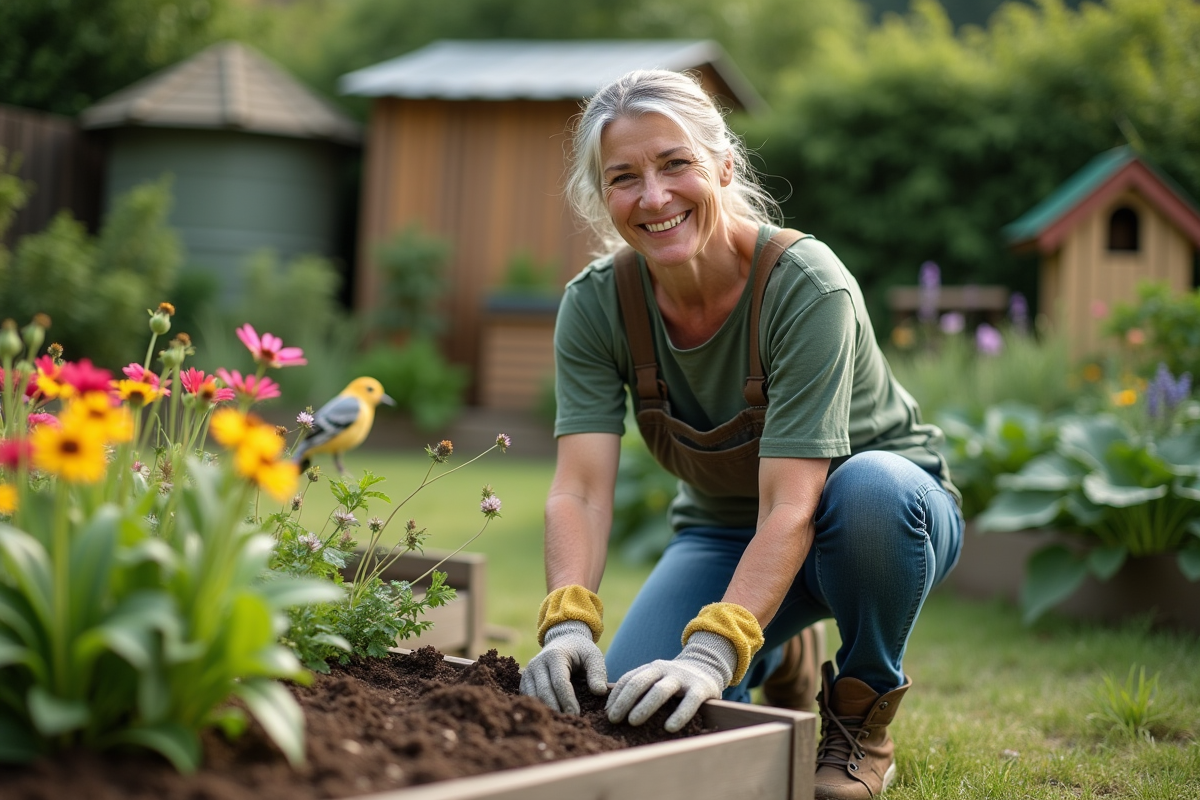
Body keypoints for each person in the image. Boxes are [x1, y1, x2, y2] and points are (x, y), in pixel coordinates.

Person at [518, 69, 963, 800]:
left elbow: (794, 506)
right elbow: (582, 490)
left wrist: (712, 651)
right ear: (602, 197)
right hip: (726, 534)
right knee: (633, 714)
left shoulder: (805, 286)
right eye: (623, 177)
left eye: (675, 164)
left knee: (871, 489)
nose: (653, 197)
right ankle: (781, 651)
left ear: (723, 166)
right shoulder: (598, 305)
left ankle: (862, 712)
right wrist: (567, 623)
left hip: (879, 525)